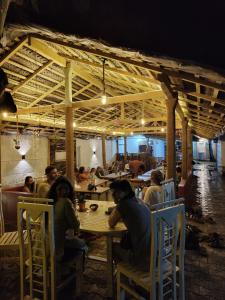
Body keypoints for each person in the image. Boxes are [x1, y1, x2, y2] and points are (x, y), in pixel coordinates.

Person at [109, 180, 150, 271]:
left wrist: (117, 204)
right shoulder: (139, 201)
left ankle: (123, 273)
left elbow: (111, 223)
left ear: (124, 192)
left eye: (115, 192)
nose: (113, 195)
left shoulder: (123, 205)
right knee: (126, 238)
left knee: (112, 246)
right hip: (155, 254)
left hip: (143, 261)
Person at [47, 176, 87, 264]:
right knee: (84, 244)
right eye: (61, 189)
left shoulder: (49, 201)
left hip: (45, 248)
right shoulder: (66, 202)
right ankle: (71, 273)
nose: (64, 192)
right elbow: (75, 225)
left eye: (65, 189)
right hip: (58, 252)